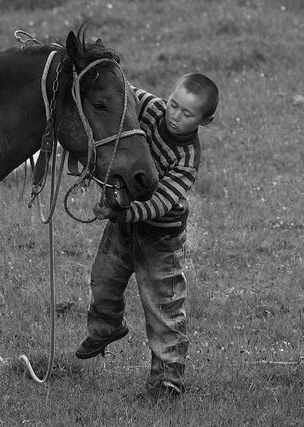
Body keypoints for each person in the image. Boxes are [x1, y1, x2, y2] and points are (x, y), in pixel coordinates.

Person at [75, 73, 219, 399]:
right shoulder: (151, 109)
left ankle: (167, 379)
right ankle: (106, 327)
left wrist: (123, 212)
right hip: (123, 225)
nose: (175, 114)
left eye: (187, 113)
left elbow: (160, 202)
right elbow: (122, 93)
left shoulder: (187, 158)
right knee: (103, 279)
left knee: (164, 308)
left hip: (160, 237)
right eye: (173, 104)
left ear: (205, 121)